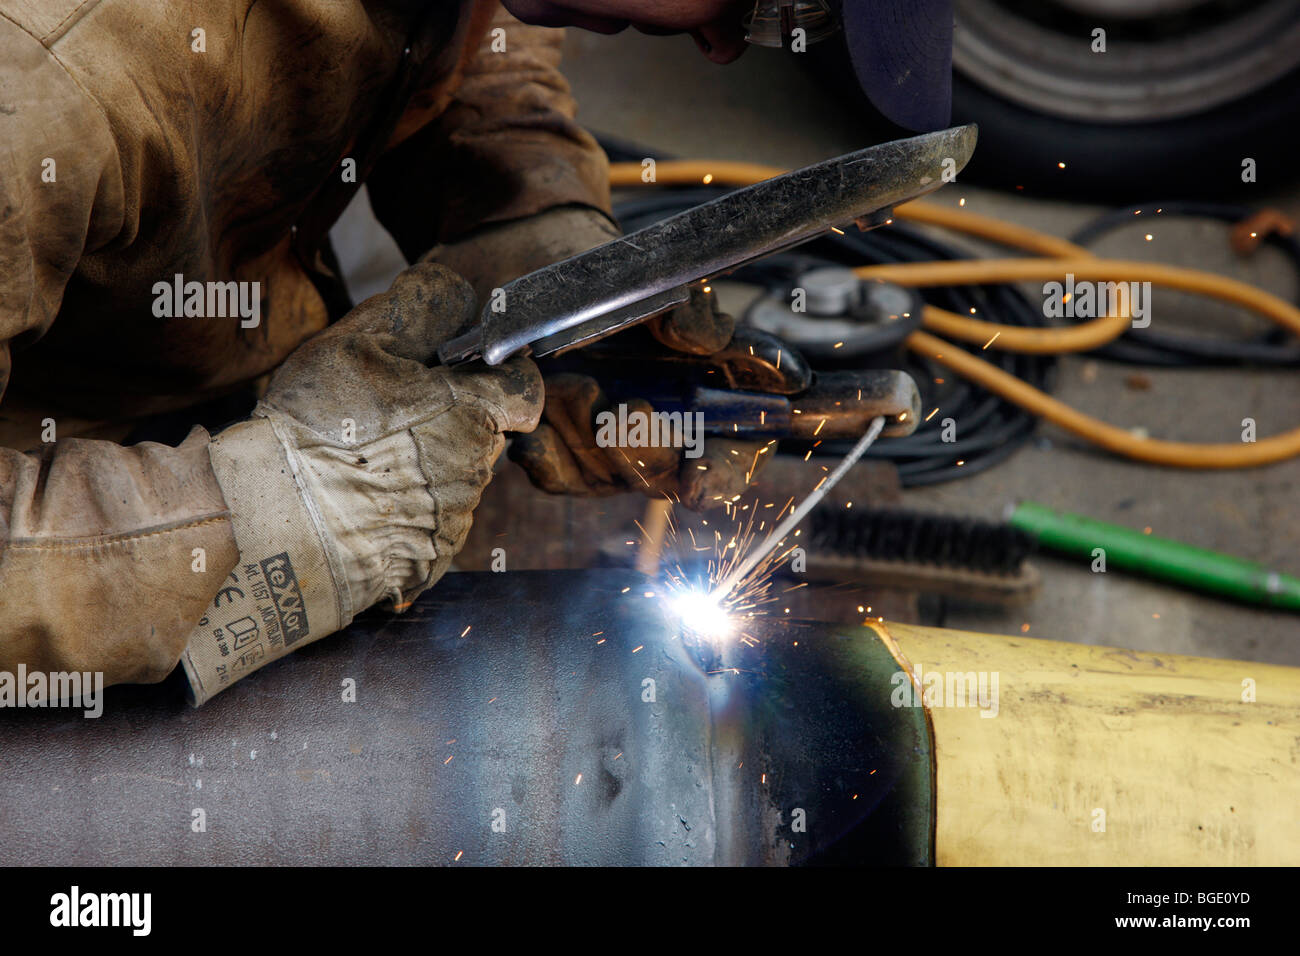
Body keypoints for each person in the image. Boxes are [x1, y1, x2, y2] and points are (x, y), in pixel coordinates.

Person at [0, 0, 951, 704]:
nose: (720, 42)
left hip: (189, 360)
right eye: (765, 2)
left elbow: (475, 26)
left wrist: (529, 224)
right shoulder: (41, 83)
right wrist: (272, 508)